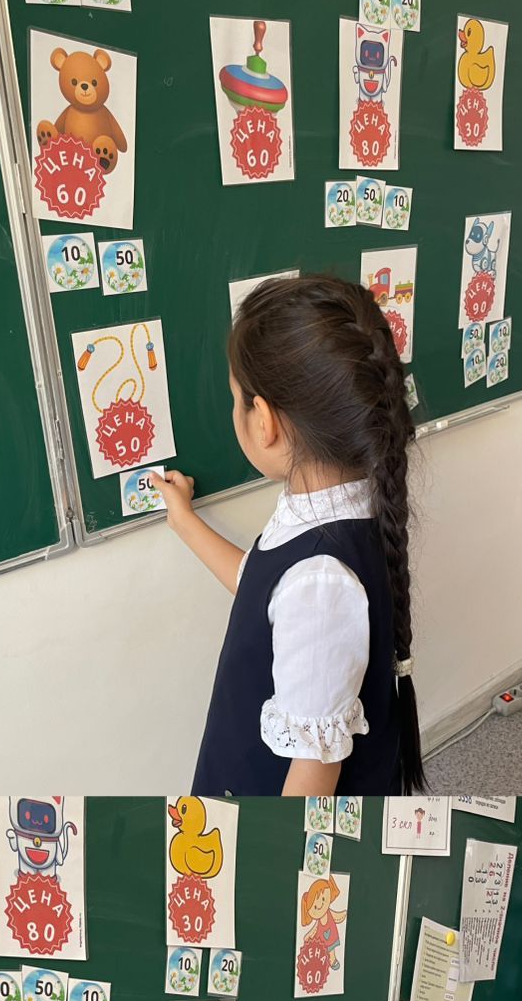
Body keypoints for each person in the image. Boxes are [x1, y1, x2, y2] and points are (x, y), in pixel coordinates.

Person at [160, 274, 424, 796]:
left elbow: (313, 774)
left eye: (236, 400)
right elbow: (263, 586)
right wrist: (184, 520)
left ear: (264, 421)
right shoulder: (328, 513)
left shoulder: (320, 581)